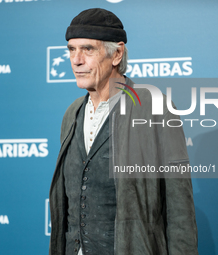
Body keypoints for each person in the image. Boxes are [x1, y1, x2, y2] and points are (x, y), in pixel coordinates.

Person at [49, 8, 198, 255]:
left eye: (88, 49)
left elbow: (179, 207)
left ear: (116, 54)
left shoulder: (154, 107)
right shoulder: (71, 114)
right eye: (71, 50)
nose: (76, 60)